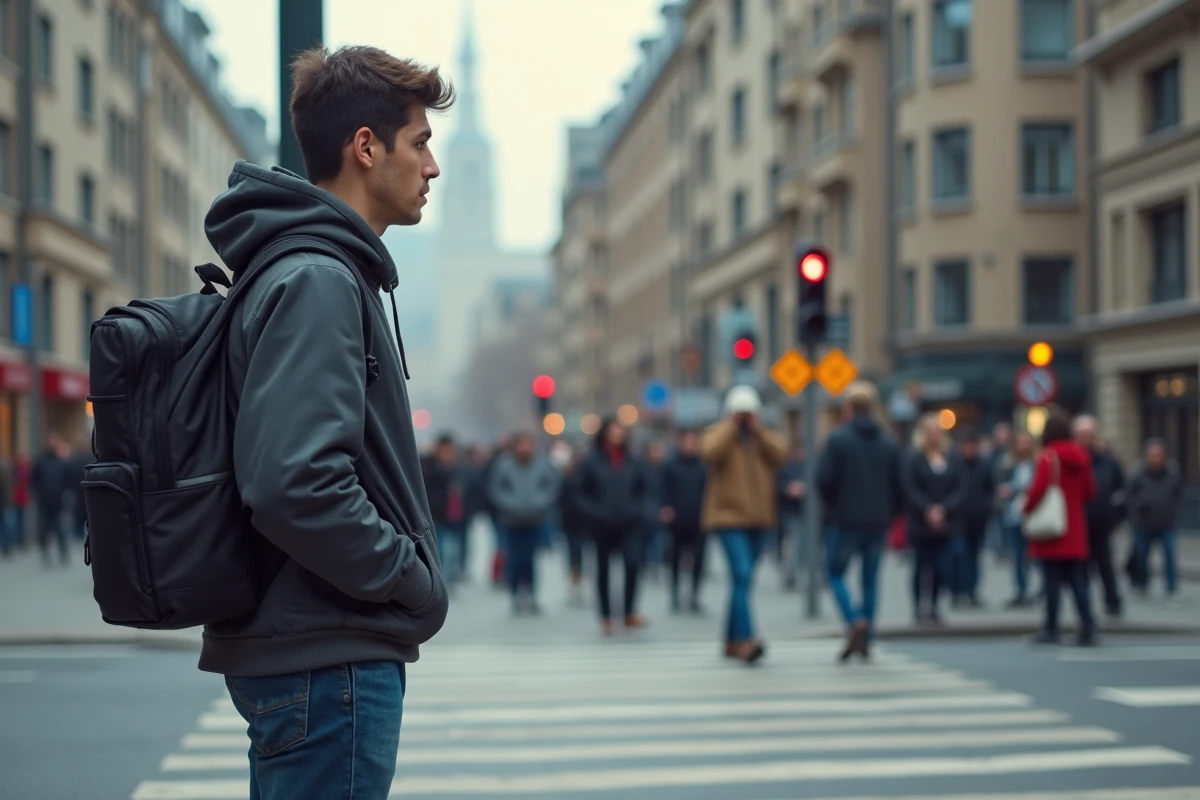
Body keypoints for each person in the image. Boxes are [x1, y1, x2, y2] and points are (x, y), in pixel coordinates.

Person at [202, 46, 452, 800]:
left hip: (315, 653)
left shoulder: (313, 267)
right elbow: (293, 484)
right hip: (327, 660)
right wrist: (409, 580)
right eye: (420, 142)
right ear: (366, 146)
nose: (432, 167)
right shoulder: (317, 277)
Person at [817, 381, 903, 662]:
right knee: (870, 580)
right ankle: (866, 634)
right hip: (878, 520)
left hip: (845, 519)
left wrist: (833, 504)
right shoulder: (888, 441)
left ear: (849, 408)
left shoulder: (838, 439)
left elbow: (823, 479)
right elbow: (899, 484)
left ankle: (855, 620)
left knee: (835, 573)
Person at [701, 386, 788, 664]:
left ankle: (731, 639)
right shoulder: (719, 434)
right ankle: (746, 640)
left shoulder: (760, 438)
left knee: (743, 580)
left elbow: (781, 455)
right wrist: (731, 426)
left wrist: (757, 430)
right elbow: (710, 453)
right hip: (728, 518)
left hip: (759, 519)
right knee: (741, 574)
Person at [1023, 410, 1097, 645]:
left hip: (1052, 530)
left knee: (1051, 582)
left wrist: (1025, 508)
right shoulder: (1082, 456)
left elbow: (1038, 490)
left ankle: (1051, 628)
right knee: (1078, 582)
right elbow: (1090, 492)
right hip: (1075, 528)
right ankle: (1088, 627)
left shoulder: (1048, 457)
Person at [575, 418, 651, 635]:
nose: (617, 435)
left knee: (633, 565)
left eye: (621, 430)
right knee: (602, 570)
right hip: (601, 525)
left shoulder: (634, 461)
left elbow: (645, 489)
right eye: (613, 430)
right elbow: (579, 492)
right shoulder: (591, 461)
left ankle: (629, 612)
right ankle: (606, 616)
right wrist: (593, 512)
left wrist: (639, 510)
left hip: (630, 524)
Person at [901, 414, 965, 625]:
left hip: (945, 522)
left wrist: (943, 509)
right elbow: (910, 488)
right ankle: (919, 607)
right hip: (921, 523)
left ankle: (935, 606)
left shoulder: (951, 457)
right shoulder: (914, 457)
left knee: (941, 566)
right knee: (921, 566)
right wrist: (927, 509)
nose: (934, 436)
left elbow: (960, 486)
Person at [487, 432, 561, 614]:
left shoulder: (543, 464)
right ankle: (514, 594)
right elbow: (495, 488)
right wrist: (510, 503)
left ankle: (532, 594)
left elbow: (552, 486)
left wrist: (539, 502)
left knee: (531, 558)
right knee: (514, 558)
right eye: (521, 444)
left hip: (535, 518)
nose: (525, 448)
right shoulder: (504, 464)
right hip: (511, 519)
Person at [1073, 416, 1125, 617]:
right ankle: (1085, 610)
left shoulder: (1108, 462)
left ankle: (1113, 603)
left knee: (1106, 566)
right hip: (1078, 526)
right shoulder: (1072, 460)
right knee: (1080, 571)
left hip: (1102, 526)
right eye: (1082, 434)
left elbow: (1121, 490)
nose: (1086, 438)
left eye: (1089, 434)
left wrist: (1115, 516)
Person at [1127, 438, 1183, 599]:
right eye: (1152, 454)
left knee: (1170, 555)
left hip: (1166, 523)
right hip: (1143, 523)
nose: (1155, 458)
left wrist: (1173, 512)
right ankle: (1142, 584)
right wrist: (1137, 509)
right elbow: (1129, 496)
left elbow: (1178, 495)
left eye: (1158, 454)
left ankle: (1172, 587)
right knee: (1142, 556)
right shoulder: (1138, 473)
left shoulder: (1172, 473)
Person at [660, 429, 708, 613]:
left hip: (699, 520)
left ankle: (695, 597)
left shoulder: (703, 466)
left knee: (699, 561)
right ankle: (675, 596)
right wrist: (666, 507)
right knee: (674, 559)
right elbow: (663, 488)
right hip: (677, 521)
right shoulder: (671, 465)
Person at [953, 426, 995, 608]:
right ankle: (958, 590)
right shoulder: (955, 465)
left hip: (978, 519)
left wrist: (987, 507)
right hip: (958, 519)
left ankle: (972, 591)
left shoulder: (983, 465)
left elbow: (990, 488)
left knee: (975, 556)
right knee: (959, 555)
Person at [996, 431, 1038, 607]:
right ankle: (1021, 591)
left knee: (1036, 556)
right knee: (1017, 556)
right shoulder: (1007, 464)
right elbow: (999, 485)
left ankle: (1041, 590)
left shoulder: (1036, 463)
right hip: (1013, 515)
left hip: (1034, 517)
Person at [422, 434, 467, 587]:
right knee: (441, 549)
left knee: (452, 549)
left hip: (453, 515)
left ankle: (448, 579)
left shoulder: (455, 466)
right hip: (436, 515)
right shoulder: (429, 466)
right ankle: (440, 581)